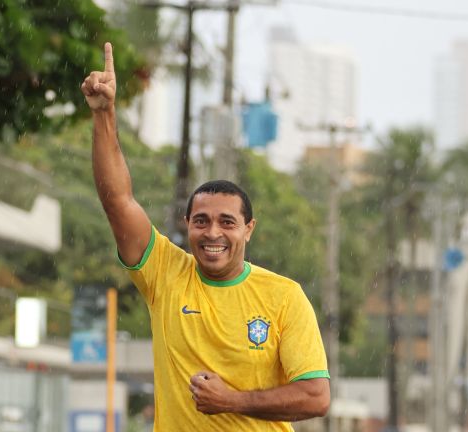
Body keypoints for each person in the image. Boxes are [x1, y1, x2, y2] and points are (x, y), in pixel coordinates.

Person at [81, 42, 330, 431]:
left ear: (249, 229)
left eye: (227, 222)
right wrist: (104, 114)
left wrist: (232, 400)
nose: (213, 232)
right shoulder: (165, 273)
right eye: (201, 221)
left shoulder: (284, 296)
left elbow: (316, 396)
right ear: (187, 224)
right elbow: (118, 201)